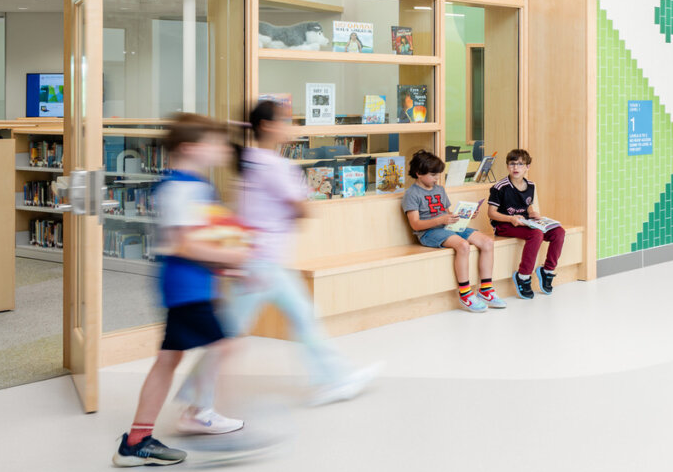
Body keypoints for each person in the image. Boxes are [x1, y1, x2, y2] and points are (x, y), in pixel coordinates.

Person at [224, 98, 380, 404]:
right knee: (227, 335)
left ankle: (333, 378)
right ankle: (196, 402)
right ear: (267, 126)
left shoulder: (250, 160)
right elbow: (303, 210)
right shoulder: (274, 166)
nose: (290, 128)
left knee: (302, 317)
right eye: (284, 121)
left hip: (260, 260)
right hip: (261, 262)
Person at [115, 114, 246, 467]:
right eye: (214, 143)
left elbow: (199, 239)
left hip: (187, 285)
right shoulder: (183, 188)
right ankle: (200, 415)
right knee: (226, 346)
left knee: (168, 359)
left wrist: (224, 265)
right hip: (188, 289)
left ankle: (137, 441)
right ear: (190, 148)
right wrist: (231, 256)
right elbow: (185, 244)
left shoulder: (189, 185)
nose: (221, 149)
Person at [402, 149, 499, 311]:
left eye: (438, 174)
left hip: (448, 227)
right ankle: (465, 293)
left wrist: (465, 215)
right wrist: (441, 220)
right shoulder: (411, 194)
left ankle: (486, 290)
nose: (436, 178)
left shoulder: (439, 189)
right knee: (463, 245)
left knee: (487, 242)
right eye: (433, 175)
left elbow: (447, 213)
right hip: (429, 232)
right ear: (418, 173)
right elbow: (415, 224)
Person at [487, 148, 566, 299]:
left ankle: (547, 271)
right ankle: (523, 276)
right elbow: (491, 213)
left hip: (524, 222)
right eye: (512, 164)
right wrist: (511, 219)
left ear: (527, 167)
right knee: (536, 234)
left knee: (559, 232)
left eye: (520, 164)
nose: (515, 167)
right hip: (504, 225)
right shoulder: (499, 187)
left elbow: (527, 204)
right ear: (507, 166)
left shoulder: (530, 185)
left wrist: (532, 213)